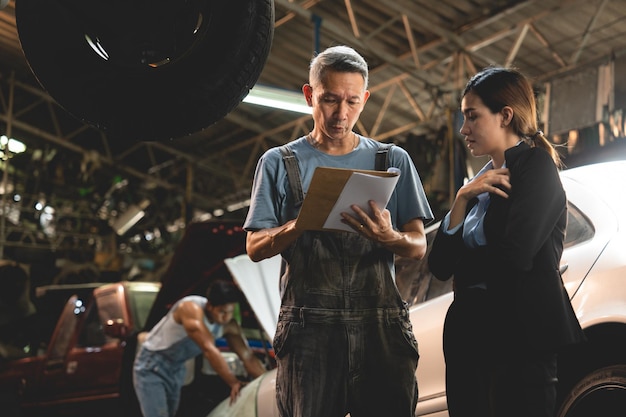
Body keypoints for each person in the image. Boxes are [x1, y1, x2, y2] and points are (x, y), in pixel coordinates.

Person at [243, 45, 433, 417]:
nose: (341, 114)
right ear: (310, 94)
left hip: (381, 327)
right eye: (330, 100)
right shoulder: (279, 163)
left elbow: (417, 245)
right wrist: (299, 224)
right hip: (310, 331)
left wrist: (388, 238)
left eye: (351, 101)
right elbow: (254, 246)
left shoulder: (392, 160)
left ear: (365, 98)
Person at [427, 66, 586, 417]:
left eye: (472, 117)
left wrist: (466, 268)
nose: (463, 129)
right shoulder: (477, 185)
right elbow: (438, 267)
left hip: (521, 336)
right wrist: (460, 200)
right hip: (470, 338)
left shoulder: (536, 167)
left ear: (505, 116)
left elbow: (515, 255)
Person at [132, 279, 266, 417]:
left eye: (230, 312)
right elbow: (209, 349)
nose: (226, 317)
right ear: (209, 306)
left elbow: (247, 356)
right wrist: (233, 383)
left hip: (176, 368)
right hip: (152, 366)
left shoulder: (230, 325)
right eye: (221, 311)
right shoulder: (190, 309)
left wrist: (268, 381)